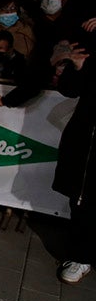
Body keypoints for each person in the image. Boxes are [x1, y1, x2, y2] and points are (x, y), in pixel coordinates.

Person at [51, 36, 96, 284]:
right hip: (86, 138)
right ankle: (81, 256)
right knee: (81, 199)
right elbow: (69, 89)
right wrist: (77, 67)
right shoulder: (90, 42)